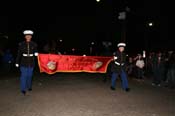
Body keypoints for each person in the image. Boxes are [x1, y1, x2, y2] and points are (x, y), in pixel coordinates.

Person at [15, 30, 38, 95]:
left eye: (29, 36)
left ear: (31, 37)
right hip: (23, 62)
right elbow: (19, 54)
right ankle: (23, 89)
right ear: (25, 37)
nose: (28, 37)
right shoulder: (21, 44)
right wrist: (17, 62)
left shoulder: (34, 44)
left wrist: (36, 53)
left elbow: (36, 51)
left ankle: (29, 86)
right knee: (23, 76)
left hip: (31, 62)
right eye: (27, 36)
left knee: (29, 76)